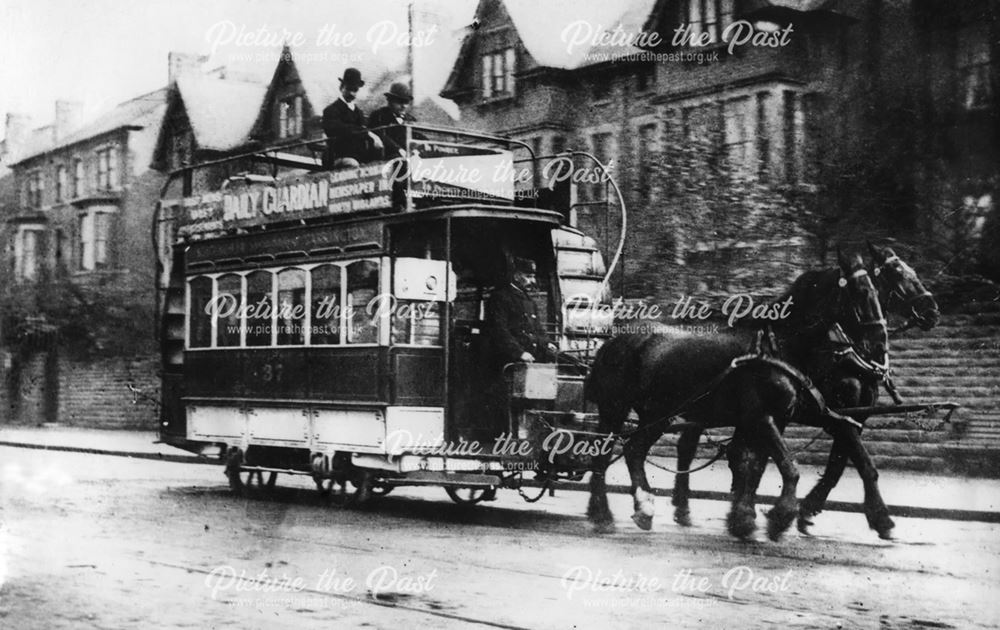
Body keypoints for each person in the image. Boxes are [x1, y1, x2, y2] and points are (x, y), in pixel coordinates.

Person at [486, 256, 557, 368]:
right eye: (528, 277)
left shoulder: (530, 301)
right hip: (509, 359)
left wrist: (547, 342)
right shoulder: (501, 297)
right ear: (516, 276)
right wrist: (519, 353)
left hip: (529, 358)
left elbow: (537, 328)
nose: (533, 281)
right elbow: (499, 330)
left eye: (533, 277)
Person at [321, 68, 383, 167]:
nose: (351, 93)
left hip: (359, 157)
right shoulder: (331, 110)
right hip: (339, 156)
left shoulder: (359, 112)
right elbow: (339, 129)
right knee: (352, 164)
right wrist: (366, 133)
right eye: (348, 89)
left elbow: (363, 129)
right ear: (341, 87)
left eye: (355, 90)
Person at [367, 82, 417, 158]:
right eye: (400, 102)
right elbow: (380, 135)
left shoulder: (411, 119)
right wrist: (399, 150)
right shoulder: (378, 116)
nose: (403, 106)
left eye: (406, 102)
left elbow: (418, 136)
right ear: (390, 101)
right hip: (386, 158)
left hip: (408, 157)